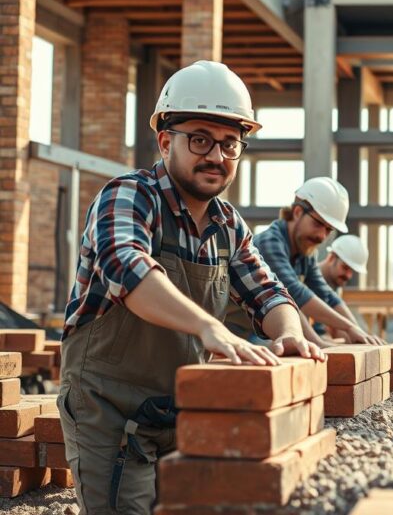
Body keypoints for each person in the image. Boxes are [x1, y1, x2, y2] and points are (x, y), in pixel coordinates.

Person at [58, 61, 324, 514]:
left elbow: (268, 292)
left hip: (180, 408)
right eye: (200, 139)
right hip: (109, 408)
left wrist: (288, 334)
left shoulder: (228, 225)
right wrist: (210, 329)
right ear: (166, 141)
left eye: (230, 144)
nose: (216, 157)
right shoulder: (128, 196)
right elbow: (129, 269)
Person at [225, 179, 386, 348]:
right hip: (237, 335)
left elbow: (327, 295)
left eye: (328, 230)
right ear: (297, 212)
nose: (322, 236)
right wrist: (320, 342)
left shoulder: (306, 254)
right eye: (318, 224)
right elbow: (294, 294)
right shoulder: (269, 243)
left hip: (267, 333)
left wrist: (358, 332)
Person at [316, 234, 371, 338]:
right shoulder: (307, 280)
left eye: (352, 271)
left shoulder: (335, 285)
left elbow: (339, 325)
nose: (348, 276)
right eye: (345, 268)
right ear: (331, 257)